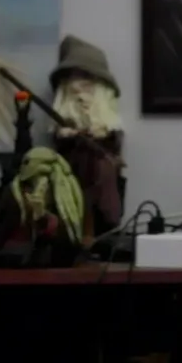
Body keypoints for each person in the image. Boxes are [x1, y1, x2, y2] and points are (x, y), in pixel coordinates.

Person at [51, 35, 124, 237]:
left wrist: (99, 136)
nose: (79, 87)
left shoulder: (109, 126)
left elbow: (113, 145)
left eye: (87, 78)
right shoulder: (64, 126)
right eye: (74, 78)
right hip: (70, 189)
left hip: (99, 195)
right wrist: (71, 136)